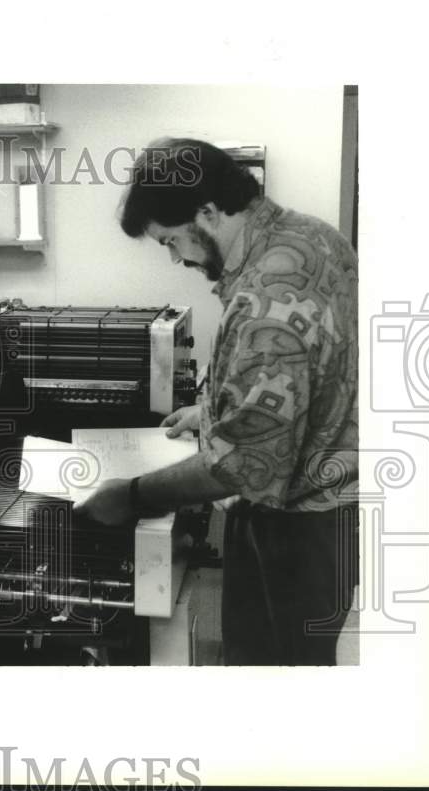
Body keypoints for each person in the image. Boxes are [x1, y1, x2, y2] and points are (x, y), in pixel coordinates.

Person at [75, 138, 359, 665]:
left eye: (172, 241)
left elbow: (246, 466)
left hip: (294, 530)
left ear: (207, 211)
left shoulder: (265, 296)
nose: (176, 257)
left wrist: (131, 495)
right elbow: (309, 375)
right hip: (334, 509)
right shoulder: (310, 235)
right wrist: (211, 412)